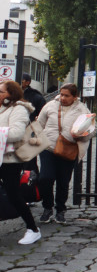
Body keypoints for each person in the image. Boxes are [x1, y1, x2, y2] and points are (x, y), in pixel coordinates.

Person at [37, 83, 95, 224]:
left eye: (66, 95)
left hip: (68, 149)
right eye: (61, 94)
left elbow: (92, 129)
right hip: (48, 148)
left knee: (63, 181)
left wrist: (80, 135)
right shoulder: (50, 105)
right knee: (45, 178)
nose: (62, 98)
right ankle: (47, 207)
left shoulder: (82, 109)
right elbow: (40, 123)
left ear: (75, 97)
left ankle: (60, 210)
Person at [0, 81, 41, 244]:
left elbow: (16, 133)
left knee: (13, 194)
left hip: (10, 159)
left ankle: (33, 229)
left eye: (1, 91)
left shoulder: (19, 109)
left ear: (11, 94)